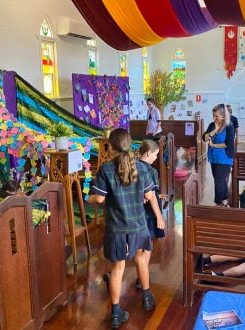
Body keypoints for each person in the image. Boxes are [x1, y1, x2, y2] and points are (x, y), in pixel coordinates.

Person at [88, 128, 165, 328]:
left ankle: (115, 313)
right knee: (141, 259)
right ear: (130, 144)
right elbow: (149, 196)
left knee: (118, 267)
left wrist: (89, 197)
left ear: (111, 147)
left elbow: (99, 198)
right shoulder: (141, 167)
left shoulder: (105, 169)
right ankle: (147, 297)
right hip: (139, 225)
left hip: (117, 228)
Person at [136, 139, 167, 288]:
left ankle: (140, 275)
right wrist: (159, 217)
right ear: (148, 153)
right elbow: (151, 195)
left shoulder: (131, 166)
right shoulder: (150, 171)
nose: (155, 158)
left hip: (134, 212)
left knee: (138, 246)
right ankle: (142, 278)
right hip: (149, 214)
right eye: (155, 155)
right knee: (147, 246)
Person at [202, 104, 235, 207]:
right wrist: (215, 130)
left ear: (223, 116)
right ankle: (225, 201)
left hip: (225, 158)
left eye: (217, 116)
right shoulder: (212, 125)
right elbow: (205, 138)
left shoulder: (229, 126)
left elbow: (228, 144)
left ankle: (217, 203)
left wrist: (214, 145)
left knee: (218, 181)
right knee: (221, 181)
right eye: (213, 116)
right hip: (214, 158)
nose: (214, 118)